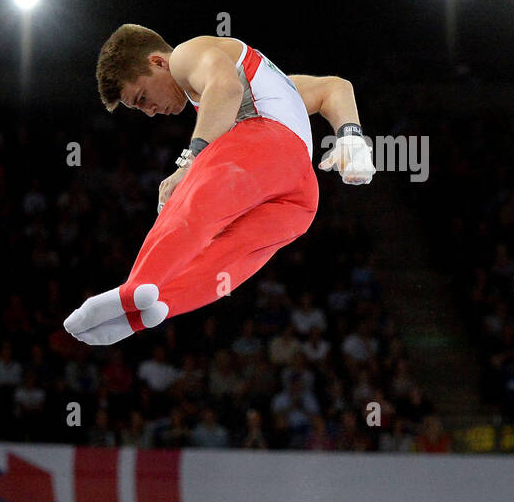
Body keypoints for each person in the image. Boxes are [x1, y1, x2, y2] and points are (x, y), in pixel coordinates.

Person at [65, 27, 374, 346]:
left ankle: (138, 286)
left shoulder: (185, 55)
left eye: (142, 97)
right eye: (140, 109)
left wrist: (189, 163)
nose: (150, 110)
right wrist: (350, 134)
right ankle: (155, 308)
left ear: (157, 62)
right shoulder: (270, 83)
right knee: (228, 256)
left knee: (194, 192)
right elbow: (334, 88)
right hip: (300, 194)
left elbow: (225, 88)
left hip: (270, 146)